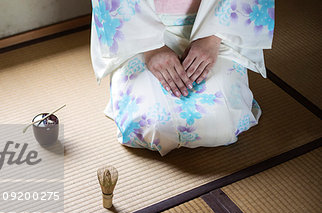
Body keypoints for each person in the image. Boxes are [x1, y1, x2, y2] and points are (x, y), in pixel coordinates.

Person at [90, 0, 275, 155]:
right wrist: (152, 48)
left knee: (221, 125)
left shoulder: (214, 36)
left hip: (218, 26)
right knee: (154, 125)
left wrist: (212, 38)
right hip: (137, 32)